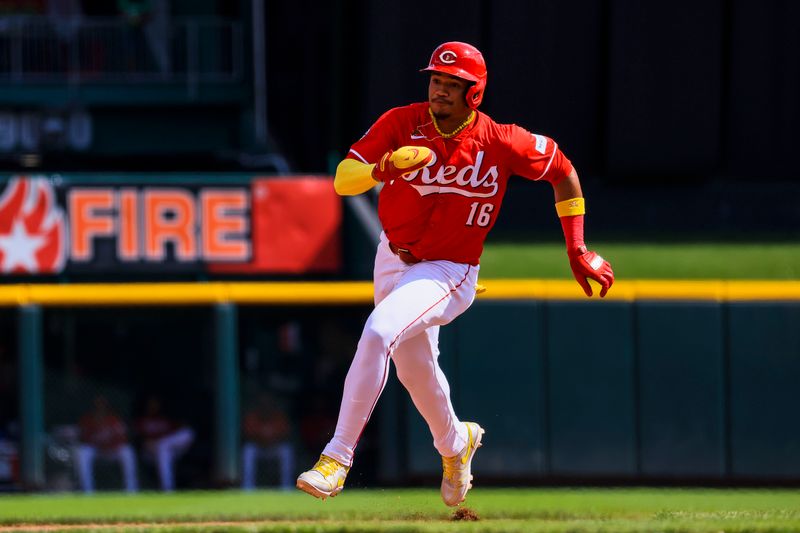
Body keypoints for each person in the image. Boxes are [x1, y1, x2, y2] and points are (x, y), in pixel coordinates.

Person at [296, 41, 615, 506]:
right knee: (415, 371)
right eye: (436, 80)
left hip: (450, 269)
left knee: (379, 331)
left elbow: (563, 172)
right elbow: (345, 179)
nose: (439, 91)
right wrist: (383, 167)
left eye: (452, 84)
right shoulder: (402, 123)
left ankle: (336, 458)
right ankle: (456, 443)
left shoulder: (502, 140)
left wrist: (577, 247)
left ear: (475, 93)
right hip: (393, 256)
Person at [74, 395, 138, 493]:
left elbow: (123, 439)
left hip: (112, 450)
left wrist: (111, 446)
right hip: (97, 451)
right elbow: (83, 439)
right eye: (97, 405)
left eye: (102, 405)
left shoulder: (113, 419)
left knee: (127, 451)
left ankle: (131, 490)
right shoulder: (87, 420)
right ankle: (87, 491)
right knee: (82, 452)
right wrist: (98, 445)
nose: (100, 407)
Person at [135, 395, 194, 491]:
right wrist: (147, 443)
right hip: (150, 453)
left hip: (168, 449)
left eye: (155, 404)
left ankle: (167, 489)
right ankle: (167, 488)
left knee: (188, 432)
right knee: (163, 449)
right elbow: (141, 440)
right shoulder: (142, 421)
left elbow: (177, 431)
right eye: (151, 404)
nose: (154, 406)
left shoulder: (164, 419)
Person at [241, 392, 294, 490]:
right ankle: (248, 487)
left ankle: (287, 487)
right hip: (259, 448)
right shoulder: (253, 417)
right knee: (248, 450)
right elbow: (248, 435)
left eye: (268, 404)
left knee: (286, 450)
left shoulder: (278, 416)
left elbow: (286, 435)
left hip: (274, 447)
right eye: (263, 404)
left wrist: (272, 441)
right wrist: (262, 440)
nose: (265, 407)